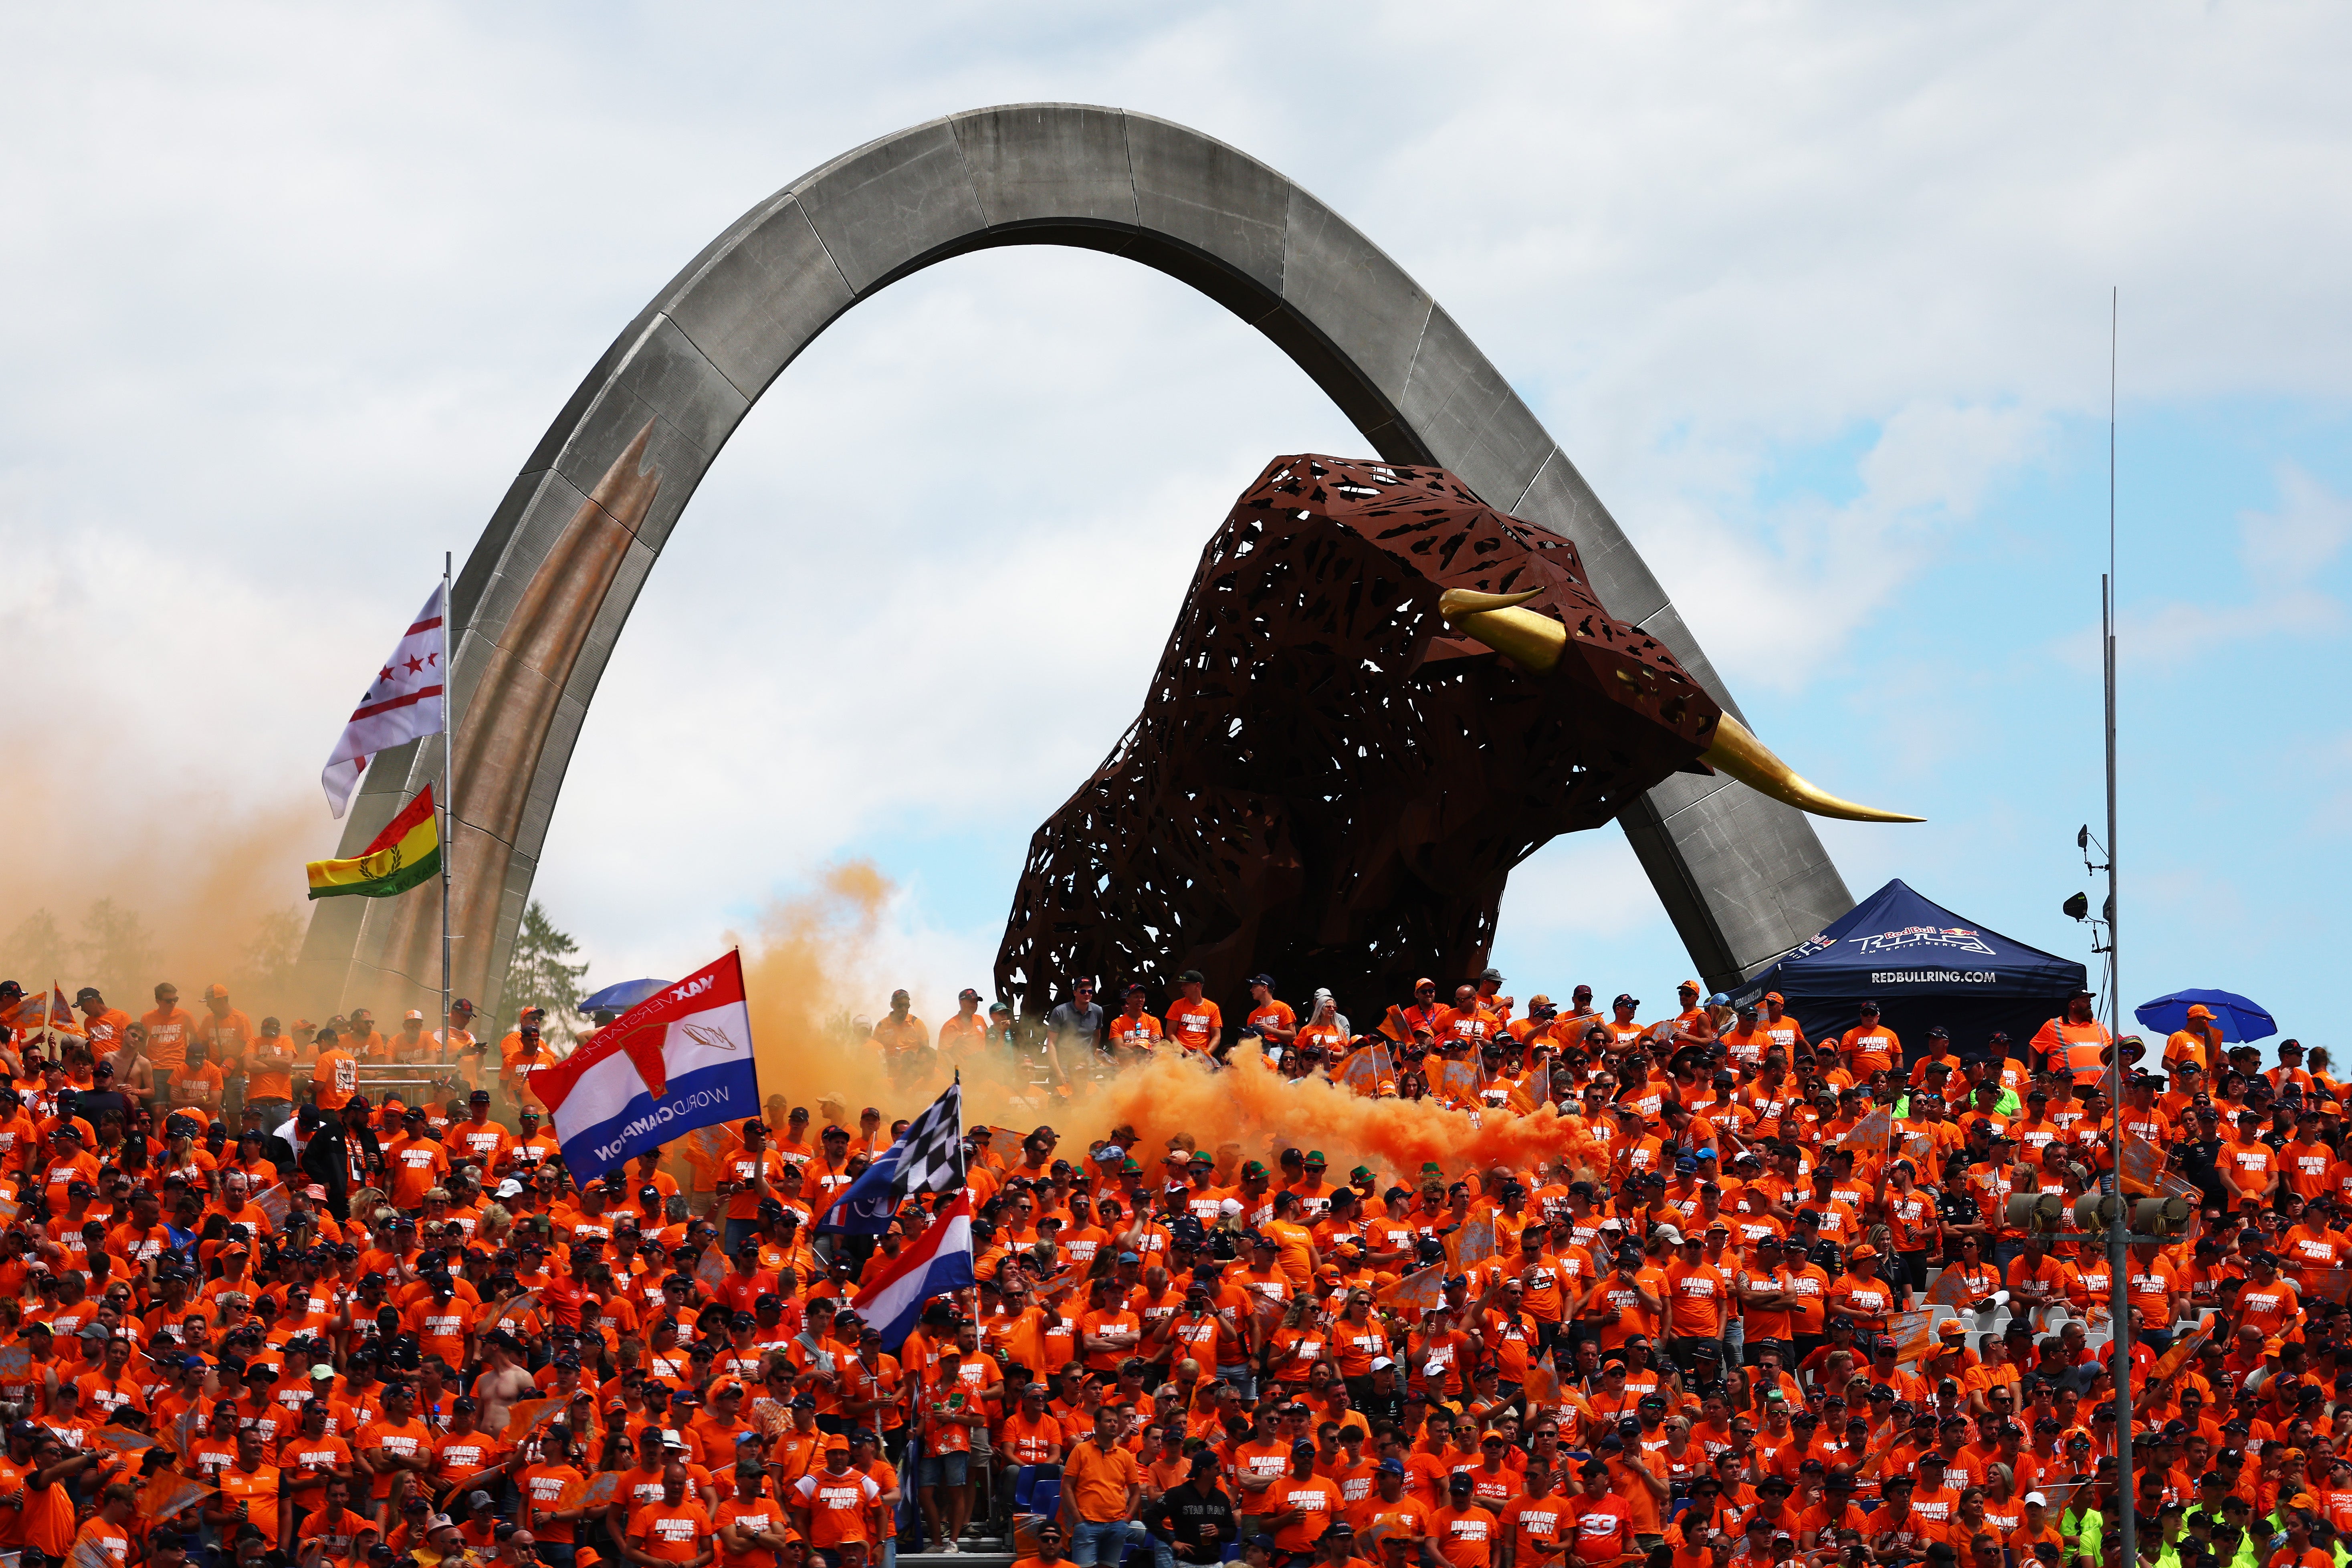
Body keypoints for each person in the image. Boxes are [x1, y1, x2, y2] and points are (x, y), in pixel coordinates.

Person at [1062, 1407, 1143, 1568]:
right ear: (1096, 1426)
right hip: (1087, 1525)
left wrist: (1127, 1519)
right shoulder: (1080, 1450)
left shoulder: (1125, 1456)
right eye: (1108, 1421)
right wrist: (1078, 1520)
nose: (1113, 1424)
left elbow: (1135, 1493)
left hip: (1117, 1526)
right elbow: (1067, 1487)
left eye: (1115, 1421)